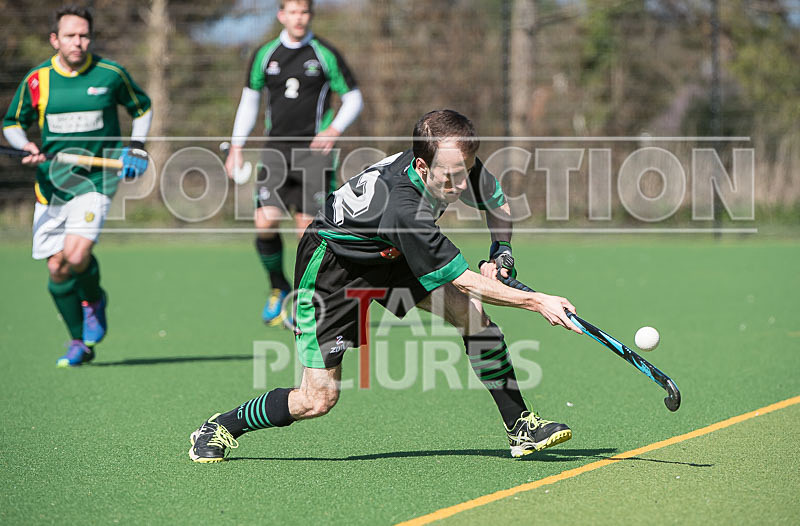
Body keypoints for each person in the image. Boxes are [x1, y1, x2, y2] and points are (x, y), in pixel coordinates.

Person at [189, 110, 583, 462]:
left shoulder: (455, 163)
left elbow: (497, 202)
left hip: (390, 254)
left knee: (472, 317)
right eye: (450, 177)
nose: (462, 185)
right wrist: (538, 301)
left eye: (466, 171)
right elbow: (463, 279)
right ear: (422, 167)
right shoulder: (403, 208)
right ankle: (223, 424)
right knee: (317, 399)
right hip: (334, 269)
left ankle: (521, 428)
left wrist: (502, 254)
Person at [2, 5, 152, 367]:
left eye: (84, 35)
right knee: (56, 268)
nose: (78, 42)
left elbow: (142, 109)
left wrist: (136, 148)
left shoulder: (111, 73)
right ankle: (78, 342)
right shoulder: (38, 79)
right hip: (52, 184)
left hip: (96, 179)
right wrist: (26, 146)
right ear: (55, 39)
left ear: (91, 37)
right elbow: (12, 123)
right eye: (70, 35)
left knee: (76, 255)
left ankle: (95, 299)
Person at [224, 0, 363, 325]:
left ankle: (304, 301)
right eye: (293, 12)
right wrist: (236, 147)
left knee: (307, 232)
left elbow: (354, 97)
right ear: (281, 15)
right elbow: (249, 101)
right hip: (276, 152)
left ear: (310, 15)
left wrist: (334, 129)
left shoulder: (325, 53)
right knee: (265, 221)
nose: (299, 18)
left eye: (304, 12)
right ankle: (278, 286)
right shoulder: (266, 54)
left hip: (314, 154)